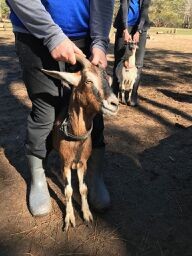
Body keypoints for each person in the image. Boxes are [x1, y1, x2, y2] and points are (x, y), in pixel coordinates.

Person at [7, 0, 114, 216]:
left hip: (86, 37)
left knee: (93, 105)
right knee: (45, 110)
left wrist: (100, 42)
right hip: (34, 33)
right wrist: (51, 35)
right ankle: (38, 177)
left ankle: (94, 175)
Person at [112, 0, 151, 106]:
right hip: (124, 25)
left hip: (141, 27)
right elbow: (124, 6)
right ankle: (114, 94)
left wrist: (139, 31)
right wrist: (125, 30)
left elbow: (144, 10)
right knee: (119, 61)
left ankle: (132, 95)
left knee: (138, 64)